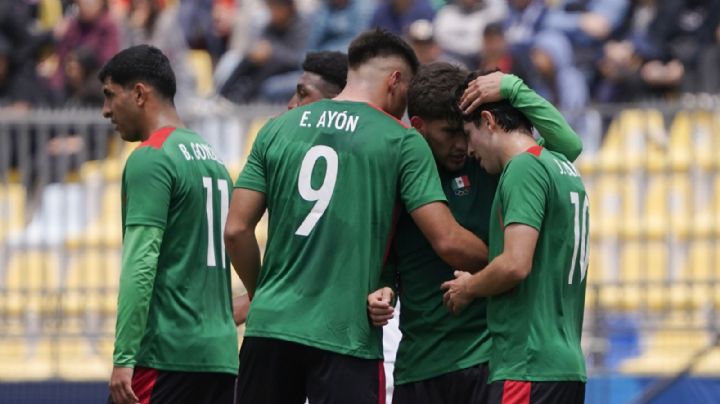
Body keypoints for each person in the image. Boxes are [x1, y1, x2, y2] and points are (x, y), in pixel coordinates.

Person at [224, 28, 488, 404]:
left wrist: (261, 294)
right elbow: (446, 240)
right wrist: (506, 262)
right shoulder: (400, 139)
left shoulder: (277, 128)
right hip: (345, 336)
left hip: (269, 328)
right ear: (395, 80)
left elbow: (235, 230)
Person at [368, 64, 583, 404]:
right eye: (449, 133)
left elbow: (567, 147)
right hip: (419, 364)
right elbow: (386, 255)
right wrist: (381, 289)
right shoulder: (399, 172)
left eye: (464, 133)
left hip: (487, 358)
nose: (462, 146)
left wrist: (514, 88)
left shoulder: (495, 163)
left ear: (484, 122)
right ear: (420, 128)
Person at [100, 45, 238, 404]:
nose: (105, 110)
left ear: (140, 93)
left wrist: (124, 358)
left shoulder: (151, 158)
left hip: (166, 355)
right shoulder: (213, 161)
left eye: (110, 96)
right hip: (219, 358)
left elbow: (140, 265)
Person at [441, 69, 589, 403]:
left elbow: (515, 265)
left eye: (468, 134)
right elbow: (571, 142)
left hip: (527, 365)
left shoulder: (523, 169)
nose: (468, 150)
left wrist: (468, 287)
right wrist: (514, 89)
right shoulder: (559, 165)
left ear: (489, 121)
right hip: (564, 368)